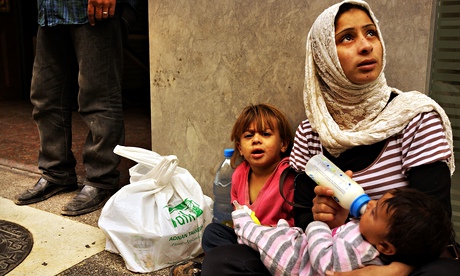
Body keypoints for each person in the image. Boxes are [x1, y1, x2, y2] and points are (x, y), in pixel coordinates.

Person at [200, 0, 459, 275]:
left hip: (397, 257)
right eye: (347, 37)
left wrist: (396, 270)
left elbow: (434, 220)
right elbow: (300, 217)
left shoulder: (413, 117)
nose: (366, 45)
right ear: (324, 57)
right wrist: (327, 218)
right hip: (325, 252)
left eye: (371, 33)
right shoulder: (311, 133)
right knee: (222, 256)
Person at [14, 0, 138, 216]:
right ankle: (56, 172)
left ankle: (102, 179)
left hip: (94, 8)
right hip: (51, 11)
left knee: (98, 97)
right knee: (45, 96)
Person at [232, 187, 452, 275]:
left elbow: (324, 262)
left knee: (261, 237)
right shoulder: (371, 236)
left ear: (385, 246)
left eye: (375, 213)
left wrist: (318, 225)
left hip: (294, 262)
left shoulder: (358, 249)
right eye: (378, 200)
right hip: (304, 245)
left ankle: (243, 221)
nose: (371, 204)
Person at [201, 103, 296, 253]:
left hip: (276, 247)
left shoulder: (289, 175)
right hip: (246, 243)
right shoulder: (239, 174)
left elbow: (297, 224)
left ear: (283, 144)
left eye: (265, 134)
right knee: (212, 233)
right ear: (240, 148)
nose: (256, 140)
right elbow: (237, 218)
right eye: (249, 135)